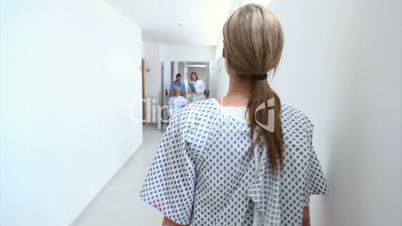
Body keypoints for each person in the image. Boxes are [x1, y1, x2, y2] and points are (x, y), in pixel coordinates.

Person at [140, 4, 328, 226]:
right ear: (274, 58)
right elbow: (303, 216)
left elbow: (174, 219)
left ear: (225, 52)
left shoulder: (190, 122)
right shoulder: (299, 126)